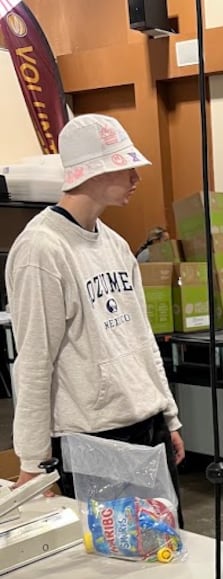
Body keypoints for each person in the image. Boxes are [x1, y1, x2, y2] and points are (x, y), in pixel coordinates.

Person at [6, 113, 185, 510]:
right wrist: (33, 463)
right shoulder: (41, 249)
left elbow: (140, 339)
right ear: (94, 172)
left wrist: (168, 417)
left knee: (165, 550)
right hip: (93, 438)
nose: (136, 179)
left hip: (146, 425)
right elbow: (35, 362)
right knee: (114, 563)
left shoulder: (116, 245)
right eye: (125, 168)